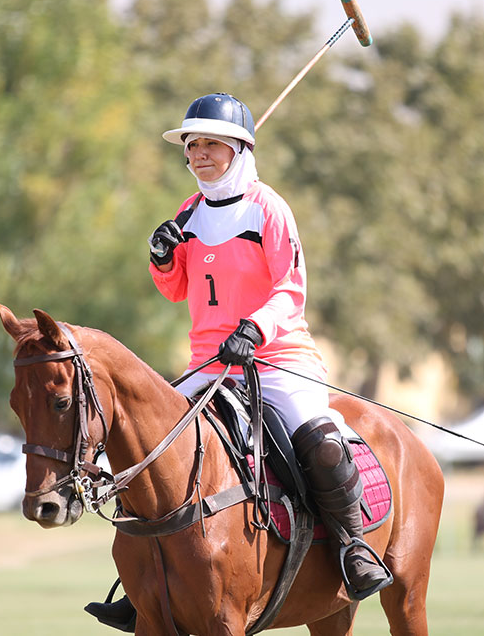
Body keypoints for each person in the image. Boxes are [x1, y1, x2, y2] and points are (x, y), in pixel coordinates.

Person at [85, 93, 390, 631]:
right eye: (192, 146)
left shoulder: (267, 208)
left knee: (319, 443)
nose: (199, 155)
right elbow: (177, 290)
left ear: (240, 149)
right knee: (153, 447)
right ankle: (146, 583)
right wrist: (161, 259)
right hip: (208, 364)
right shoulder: (187, 212)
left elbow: (290, 287)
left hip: (276, 359)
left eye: (211, 144)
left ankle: (351, 548)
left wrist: (253, 328)